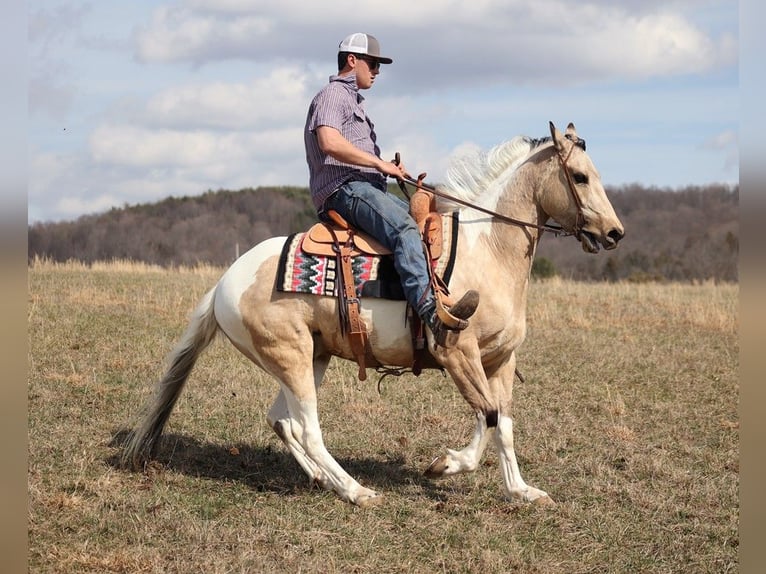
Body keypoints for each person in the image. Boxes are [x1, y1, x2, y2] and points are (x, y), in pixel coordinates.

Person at [303, 32, 478, 347]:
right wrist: (378, 164)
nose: (377, 71)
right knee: (404, 228)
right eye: (373, 63)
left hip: (363, 186)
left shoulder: (353, 100)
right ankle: (431, 315)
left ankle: (434, 296)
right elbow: (329, 142)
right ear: (352, 61)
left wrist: (388, 169)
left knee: (428, 221)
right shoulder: (333, 94)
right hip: (343, 188)